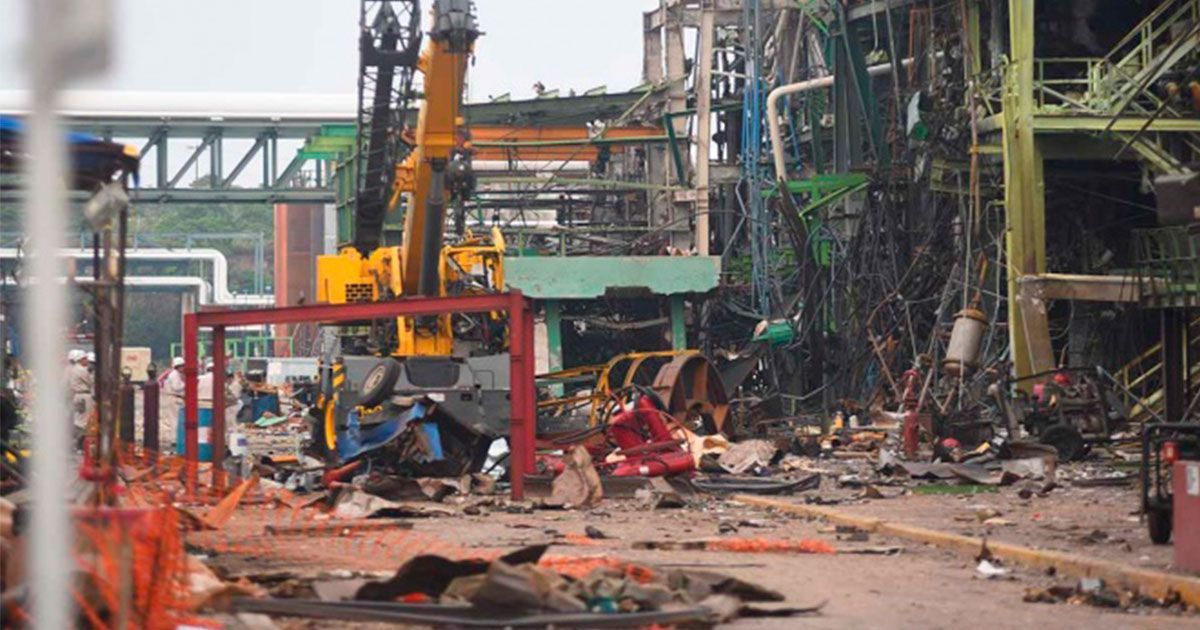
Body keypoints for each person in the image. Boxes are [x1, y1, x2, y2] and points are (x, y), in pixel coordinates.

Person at [160, 357, 185, 451]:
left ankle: (176, 438)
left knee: (176, 419)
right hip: (175, 398)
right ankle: (175, 439)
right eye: (182, 366)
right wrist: (186, 383)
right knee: (175, 419)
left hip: (175, 398)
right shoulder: (174, 375)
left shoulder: (176, 374)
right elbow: (176, 387)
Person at [67, 349, 94, 435]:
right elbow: (90, 382)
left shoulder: (73, 369)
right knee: (84, 420)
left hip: (77, 395)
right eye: (85, 359)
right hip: (84, 396)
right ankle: (79, 439)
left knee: (79, 417)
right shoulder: (81, 370)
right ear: (80, 360)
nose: (87, 361)